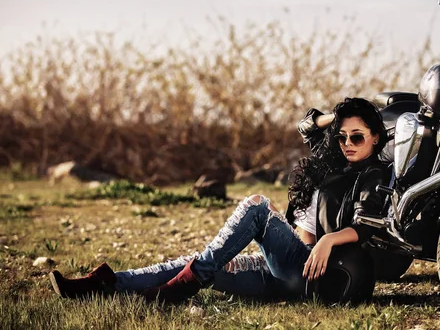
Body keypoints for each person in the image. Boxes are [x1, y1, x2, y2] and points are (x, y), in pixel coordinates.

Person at [49, 97, 389, 304]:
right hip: (280, 270)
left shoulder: (374, 174)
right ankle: (102, 286)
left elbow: (367, 223)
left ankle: (182, 286)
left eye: (357, 136)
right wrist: (342, 114)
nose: (348, 142)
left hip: (312, 272)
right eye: (342, 135)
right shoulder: (332, 161)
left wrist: (330, 240)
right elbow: (305, 126)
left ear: (376, 137)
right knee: (201, 263)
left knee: (257, 205)